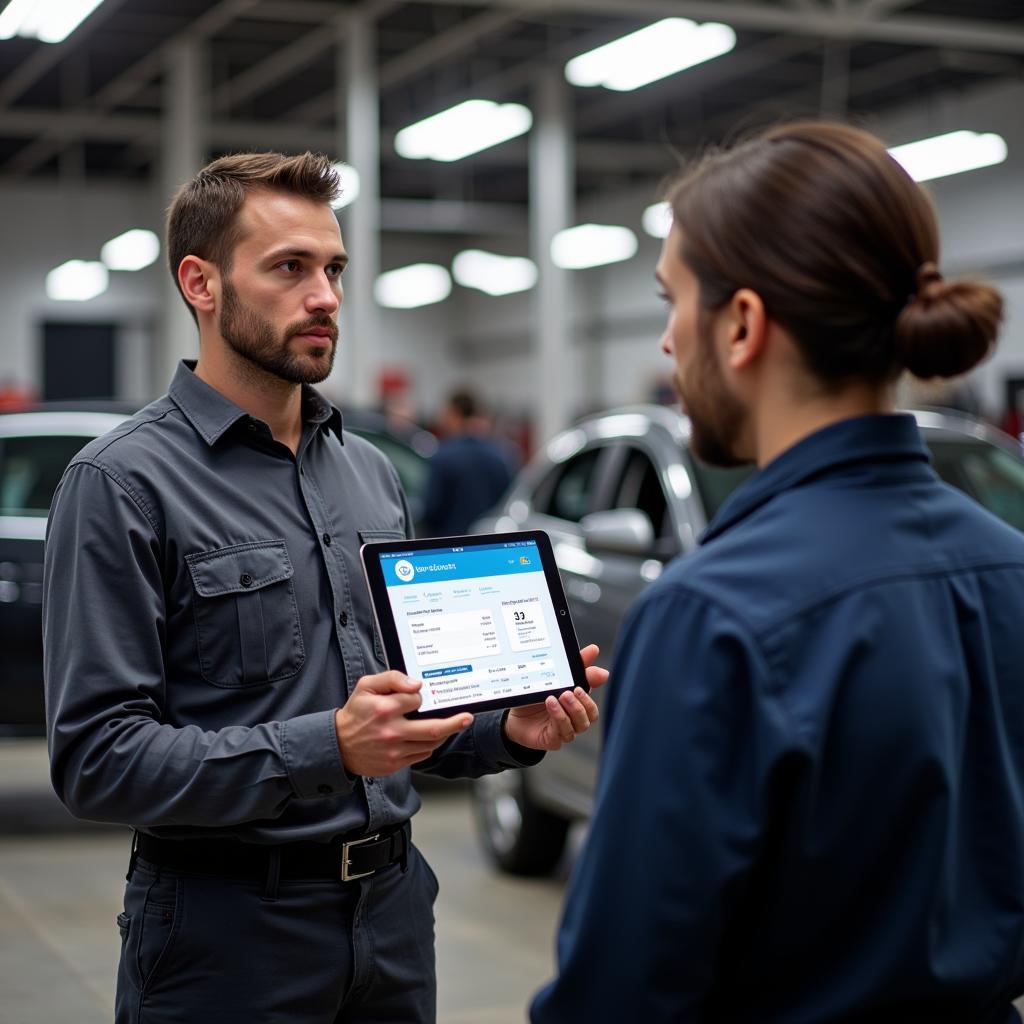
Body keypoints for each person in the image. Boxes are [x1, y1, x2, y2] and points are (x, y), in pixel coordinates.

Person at [42, 151, 606, 1024]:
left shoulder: (370, 473)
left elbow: (404, 720)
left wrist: (508, 731)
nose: (326, 297)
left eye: (334, 268)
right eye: (289, 268)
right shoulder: (122, 483)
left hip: (392, 915)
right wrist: (326, 746)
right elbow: (97, 760)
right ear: (201, 282)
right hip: (226, 936)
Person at [531, 121, 1024, 1022]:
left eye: (672, 301)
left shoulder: (711, 615)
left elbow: (623, 989)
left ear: (743, 325)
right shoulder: (1012, 571)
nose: (670, 344)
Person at [421, 388, 515, 536]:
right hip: (491, 543)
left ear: (455, 413)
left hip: (450, 546)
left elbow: (432, 509)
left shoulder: (444, 456)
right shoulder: (501, 455)